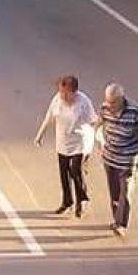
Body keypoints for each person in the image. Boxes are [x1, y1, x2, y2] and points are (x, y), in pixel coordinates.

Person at [34, 75, 97, 218]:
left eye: (65, 92)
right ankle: (67, 201)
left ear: (74, 92)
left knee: (75, 171)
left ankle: (82, 199)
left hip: (80, 142)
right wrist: (40, 135)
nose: (62, 95)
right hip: (62, 142)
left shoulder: (84, 102)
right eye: (61, 91)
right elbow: (49, 117)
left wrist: (93, 145)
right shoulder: (57, 99)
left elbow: (94, 121)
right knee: (63, 173)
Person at [97, 82, 138, 237]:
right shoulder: (105, 108)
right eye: (108, 101)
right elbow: (99, 124)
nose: (110, 105)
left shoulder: (135, 111)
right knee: (114, 192)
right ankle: (117, 218)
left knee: (126, 191)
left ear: (121, 99)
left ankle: (122, 223)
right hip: (110, 158)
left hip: (128, 160)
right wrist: (98, 139)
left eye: (113, 102)